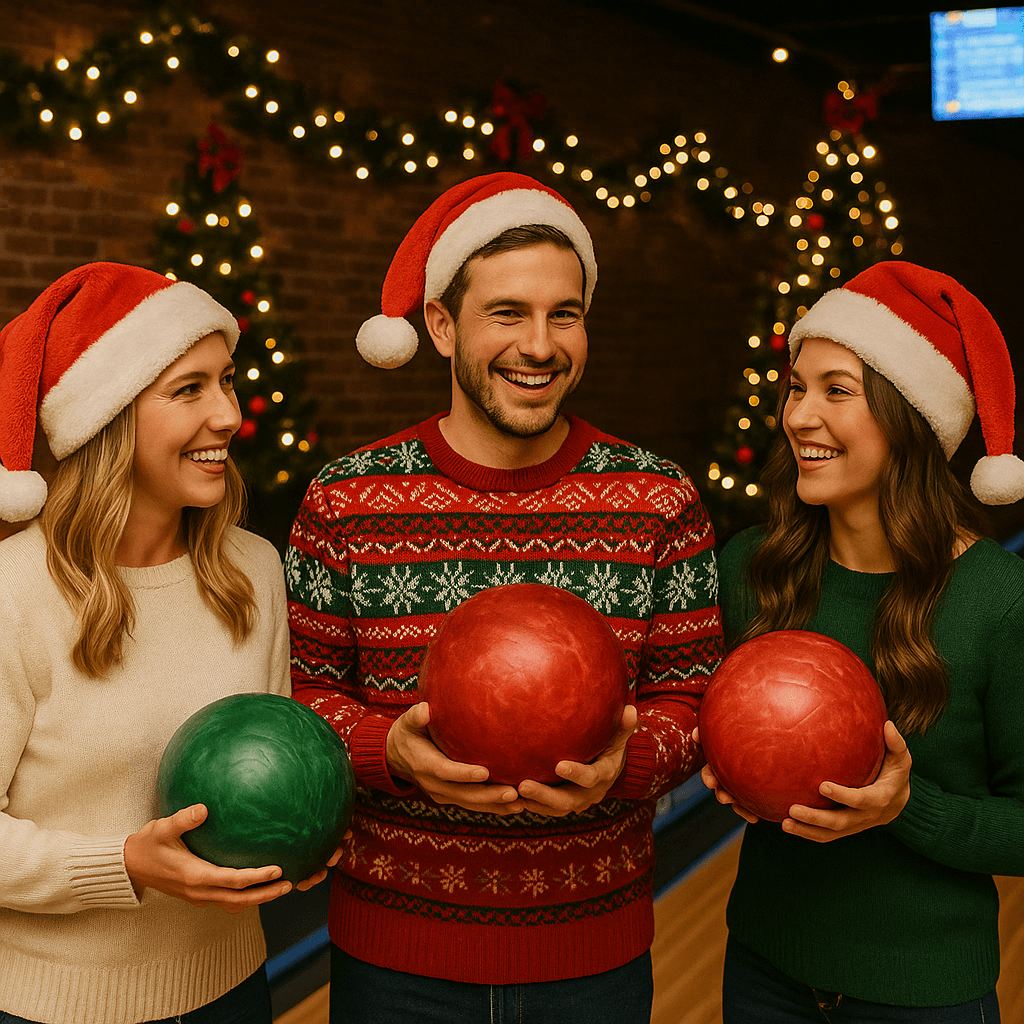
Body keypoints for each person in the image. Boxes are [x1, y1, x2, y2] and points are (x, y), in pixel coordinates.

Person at [286, 172, 724, 1023]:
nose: (540, 344)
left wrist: (622, 768)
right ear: (442, 327)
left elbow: (693, 699)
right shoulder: (345, 498)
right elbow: (305, 696)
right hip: (393, 959)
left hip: (592, 957)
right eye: (507, 313)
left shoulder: (658, 498)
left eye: (565, 313)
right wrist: (393, 753)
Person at [0, 262, 333, 1024]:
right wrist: (123, 865)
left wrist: (301, 831)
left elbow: (276, 759)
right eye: (189, 389)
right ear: (109, 418)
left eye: (226, 381)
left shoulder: (253, 568)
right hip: (52, 1011)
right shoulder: (12, 595)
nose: (227, 416)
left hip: (234, 992)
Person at [703, 261, 1024, 1022]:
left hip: (923, 994)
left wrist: (904, 805)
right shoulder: (750, 567)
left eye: (836, 391)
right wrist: (719, 758)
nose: (798, 416)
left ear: (911, 417)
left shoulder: (997, 602)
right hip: (762, 972)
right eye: (796, 387)